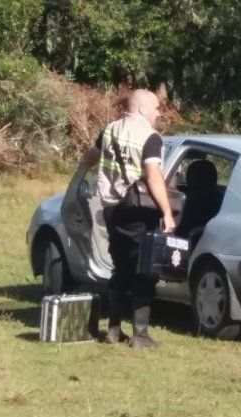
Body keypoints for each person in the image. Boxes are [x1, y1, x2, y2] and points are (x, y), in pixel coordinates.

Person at [95, 89, 175, 348]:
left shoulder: (110, 130)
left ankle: (113, 331)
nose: (158, 113)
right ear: (141, 109)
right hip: (138, 211)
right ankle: (140, 335)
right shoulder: (150, 137)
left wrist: (81, 175)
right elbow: (153, 176)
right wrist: (167, 213)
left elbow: (91, 156)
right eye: (156, 108)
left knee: (120, 267)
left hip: (111, 208)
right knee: (144, 270)